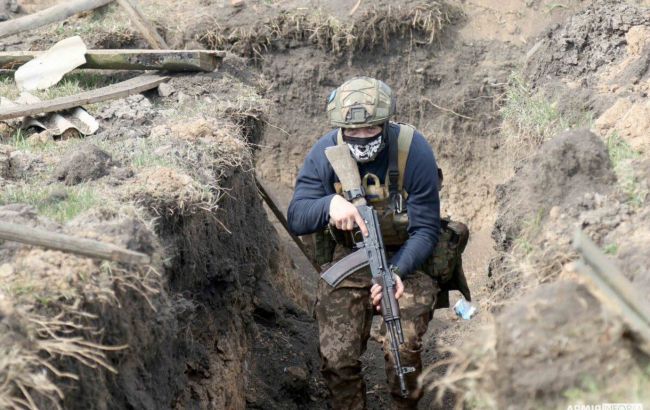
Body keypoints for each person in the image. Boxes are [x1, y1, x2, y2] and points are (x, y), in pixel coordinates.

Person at [287, 76, 442, 410]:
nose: (360, 138)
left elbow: (427, 230)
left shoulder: (412, 150)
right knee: (337, 358)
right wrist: (329, 206)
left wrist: (397, 272)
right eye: (351, 132)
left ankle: (405, 404)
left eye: (370, 129)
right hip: (351, 257)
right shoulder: (326, 152)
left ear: (385, 124)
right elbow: (297, 215)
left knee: (403, 347)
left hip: (407, 260)